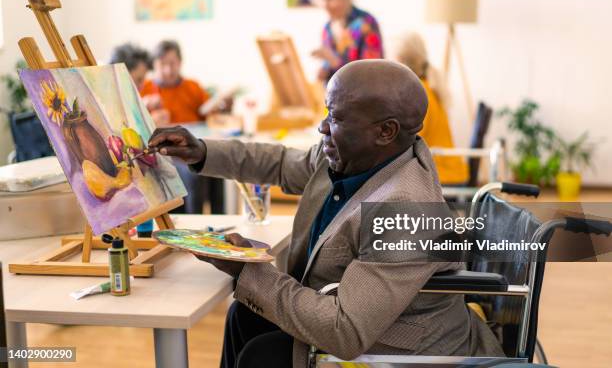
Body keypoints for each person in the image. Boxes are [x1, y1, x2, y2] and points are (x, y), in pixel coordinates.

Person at [149, 60, 504, 368]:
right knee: (245, 316)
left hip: (404, 353)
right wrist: (201, 151)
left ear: (386, 131)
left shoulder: (406, 210)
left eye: (335, 117)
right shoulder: (356, 155)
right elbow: (281, 163)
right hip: (356, 323)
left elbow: (346, 331)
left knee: (264, 355)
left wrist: (248, 270)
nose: (322, 127)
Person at [142, 40, 224, 214]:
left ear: (180, 63)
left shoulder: (192, 87)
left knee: (218, 166)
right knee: (193, 173)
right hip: (167, 154)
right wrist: (151, 116)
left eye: (172, 64)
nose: (168, 70)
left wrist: (220, 107)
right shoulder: (146, 89)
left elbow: (208, 115)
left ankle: (220, 220)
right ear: (154, 65)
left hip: (195, 145)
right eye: (162, 64)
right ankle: (194, 226)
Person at [395, 32, 469, 185]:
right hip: (450, 170)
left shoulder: (419, 93)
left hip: (441, 173)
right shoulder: (429, 85)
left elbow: (412, 139)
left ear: (401, 63)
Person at [307, 0, 384, 82]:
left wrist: (333, 60)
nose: (325, 4)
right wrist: (324, 71)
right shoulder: (327, 28)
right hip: (333, 99)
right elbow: (330, 69)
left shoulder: (366, 23)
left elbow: (372, 75)